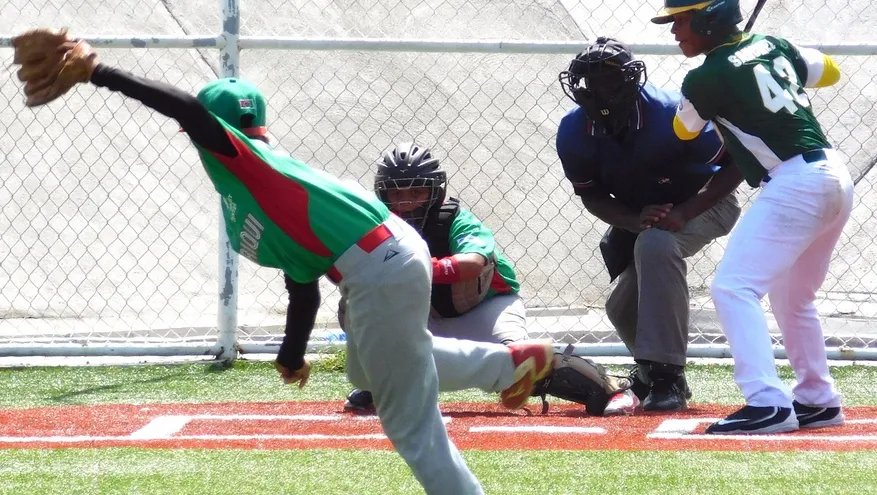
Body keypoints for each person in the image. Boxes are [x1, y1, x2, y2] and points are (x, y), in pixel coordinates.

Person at [10, 28, 557, 495]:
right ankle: (512, 363)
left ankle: (499, 391)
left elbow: (192, 112)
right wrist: (291, 355)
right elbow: (304, 286)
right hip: (385, 262)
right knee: (372, 365)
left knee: (409, 423)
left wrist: (99, 72)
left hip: (379, 270)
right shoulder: (269, 180)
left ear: (215, 136)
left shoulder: (249, 165)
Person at [652, 0, 852, 434]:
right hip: (834, 174)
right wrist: (764, 60)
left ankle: (768, 404)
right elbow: (831, 71)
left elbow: (683, 130)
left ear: (711, 18)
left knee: (731, 287)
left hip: (794, 182)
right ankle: (818, 398)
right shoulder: (775, 44)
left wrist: (728, 73)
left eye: (681, 21)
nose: (674, 32)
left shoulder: (704, 77)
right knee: (792, 296)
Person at [556, 36, 744, 411]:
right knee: (621, 306)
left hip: (708, 200)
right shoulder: (574, 131)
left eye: (608, 81)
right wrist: (633, 220)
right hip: (643, 215)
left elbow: (735, 163)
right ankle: (650, 371)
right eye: (591, 83)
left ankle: (665, 377)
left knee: (657, 244)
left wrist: (685, 211)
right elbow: (591, 196)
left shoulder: (673, 113)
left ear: (629, 81)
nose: (599, 91)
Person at [342, 142, 530, 411]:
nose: (405, 203)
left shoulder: (458, 220)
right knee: (354, 304)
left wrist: (410, 265)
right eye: (396, 194)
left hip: (484, 309)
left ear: (435, 191)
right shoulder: (376, 226)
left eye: (416, 191)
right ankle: (382, 380)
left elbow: (473, 263)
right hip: (427, 316)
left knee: (522, 362)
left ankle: (603, 389)